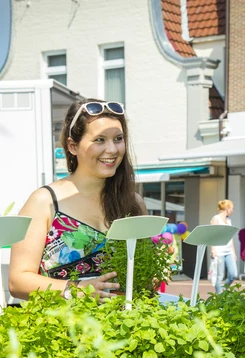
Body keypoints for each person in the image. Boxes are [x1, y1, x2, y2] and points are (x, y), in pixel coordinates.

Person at [9, 99, 147, 301]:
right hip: (63, 329)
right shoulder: (45, 202)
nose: (112, 149)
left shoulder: (134, 202)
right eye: (99, 140)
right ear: (73, 146)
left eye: (118, 138)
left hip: (126, 328)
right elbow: (18, 281)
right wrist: (76, 289)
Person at [210, 199, 238, 294]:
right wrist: (213, 250)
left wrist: (233, 252)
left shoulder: (228, 220)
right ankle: (219, 297)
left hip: (229, 251)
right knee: (219, 276)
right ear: (227, 208)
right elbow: (212, 235)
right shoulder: (216, 219)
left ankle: (223, 291)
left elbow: (231, 237)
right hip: (219, 251)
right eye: (232, 208)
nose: (232, 211)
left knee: (233, 274)